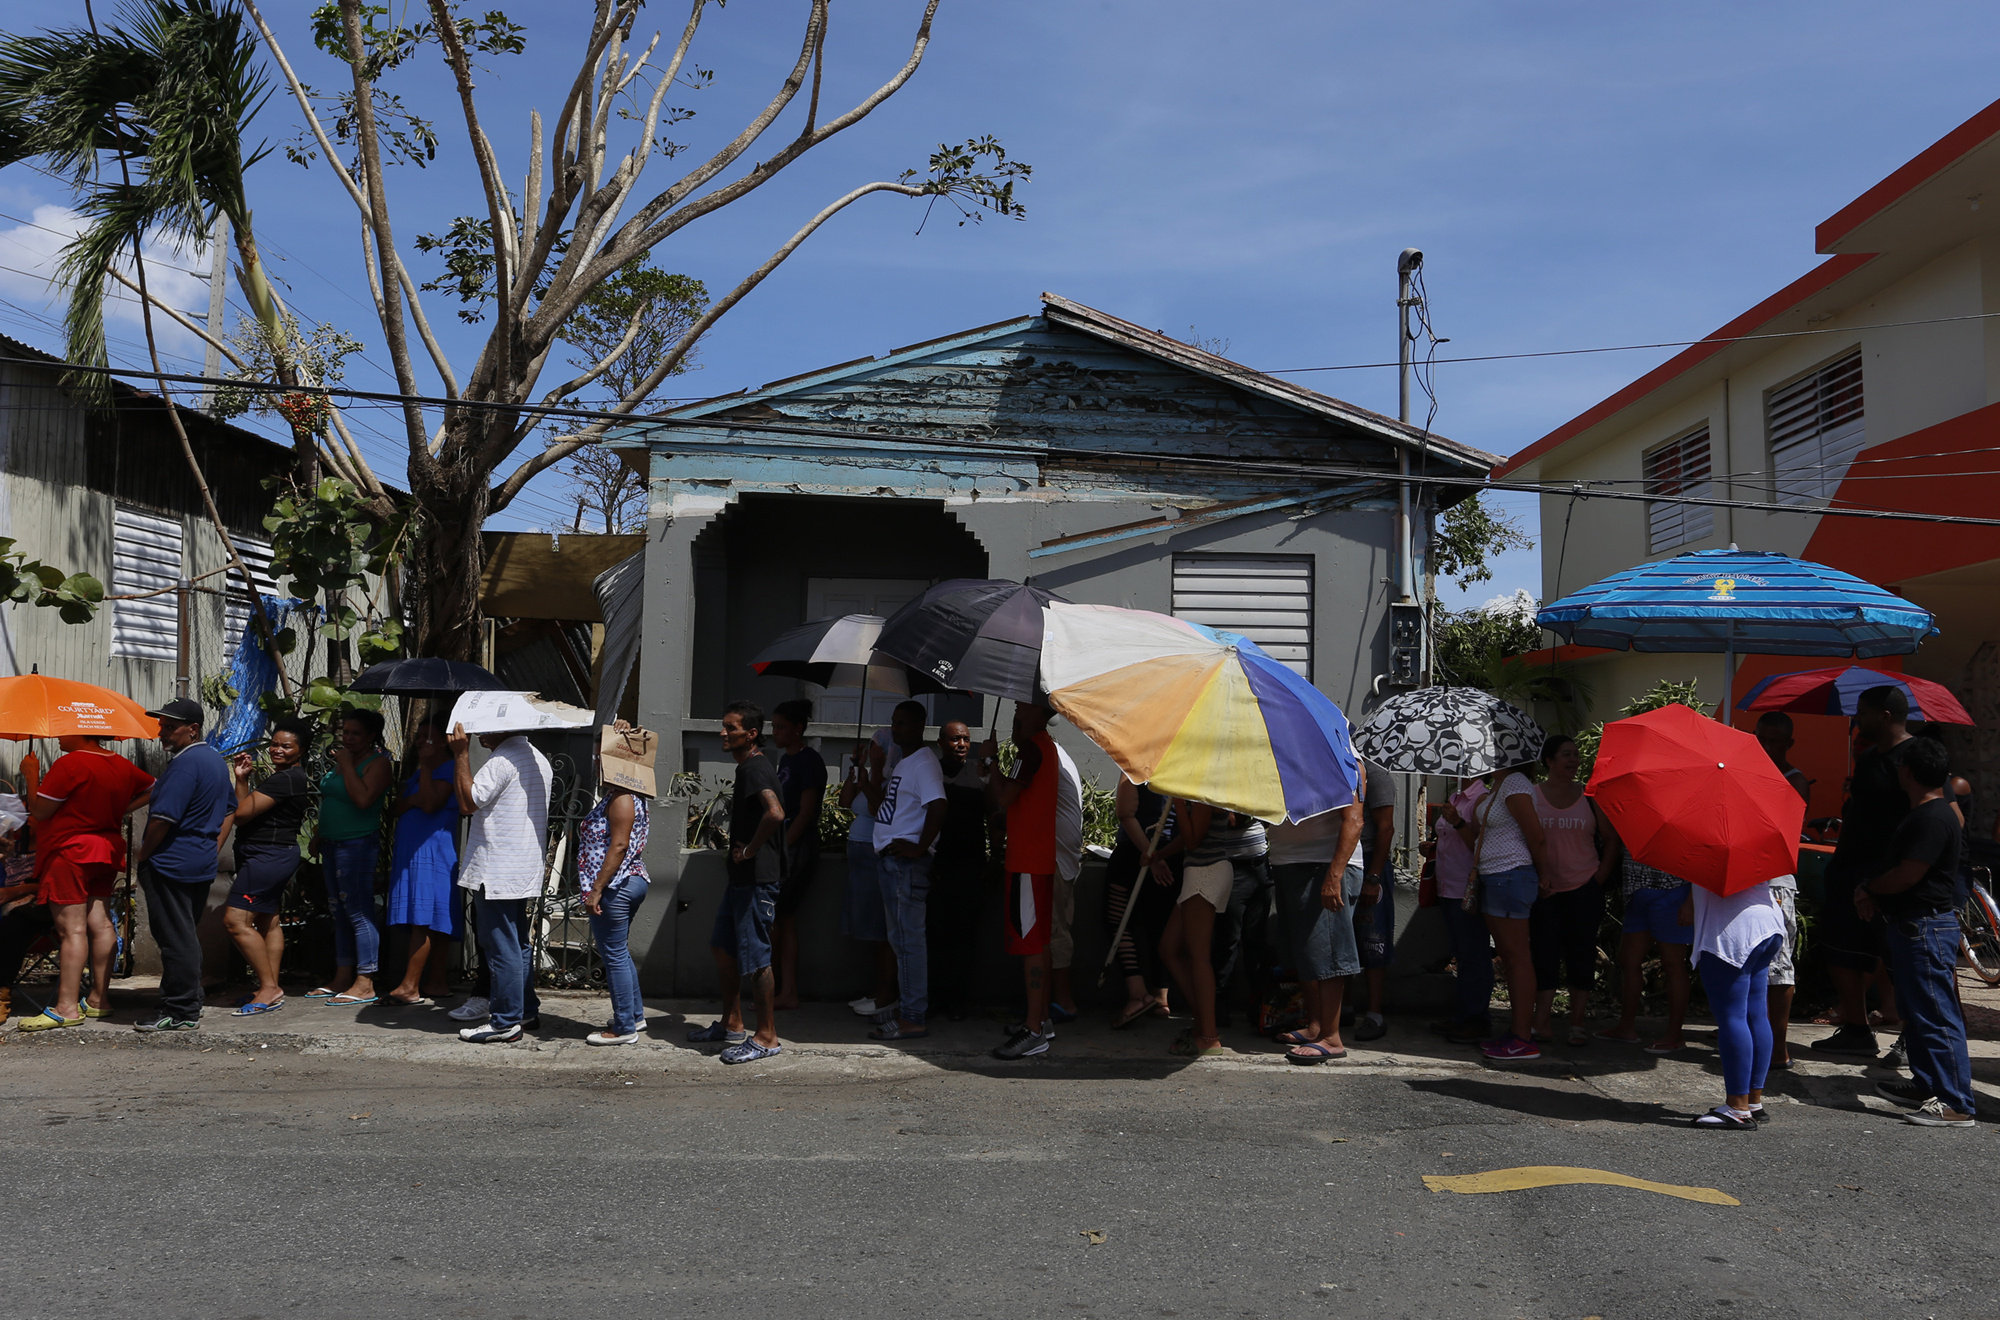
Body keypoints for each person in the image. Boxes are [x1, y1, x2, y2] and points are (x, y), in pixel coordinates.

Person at [1864, 736, 1977, 1127]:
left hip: (1925, 926)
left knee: (1937, 1016)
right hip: (1915, 926)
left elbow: (1909, 874)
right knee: (1918, 1012)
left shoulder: (1933, 817)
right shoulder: (1931, 812)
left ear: (1907, 772)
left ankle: (1955, 1102)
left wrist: (1870, 888)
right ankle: (1928, 1084)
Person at [15, 734, 152, 1030]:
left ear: (82, 732)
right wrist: (121, 810)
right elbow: (155, 786)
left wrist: (32, 776)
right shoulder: (121, 764)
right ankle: (99, 1000)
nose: (59, 736)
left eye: (65, 730)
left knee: (71, 930)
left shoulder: (70, 764)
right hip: (106, 848)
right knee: (101, 923)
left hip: (70, 851)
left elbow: (39, 812)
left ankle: (66, 1007)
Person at [1812, 685, 1915, 1058]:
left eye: (1865, 713)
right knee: (1842, 953)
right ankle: (1856, 1029)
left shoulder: (1915, 758)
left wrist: (1885, 880)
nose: (1859, 720)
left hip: (1889, 880)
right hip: (1849, 873)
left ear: (1885, 715)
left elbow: (1930, 817)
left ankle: (1911, 1037)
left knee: (1900, 960)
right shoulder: (1870, 759)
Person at [690, 701, 785, 1064]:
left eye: (731, 728)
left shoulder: (756, 769)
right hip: (742, 881)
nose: (723, 733)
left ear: (751, 734)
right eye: (724, 726)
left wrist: (748, 852)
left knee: (758, 959)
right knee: (723, 947)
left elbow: (775, 813)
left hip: (757, 880)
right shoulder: (748, 767)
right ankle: (732, 1024)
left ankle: (767, 1037)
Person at [133, 697, 233, 1032]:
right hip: (197, 861)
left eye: (171, 727)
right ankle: (188, 1001)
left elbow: (163, 818)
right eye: (162, 726)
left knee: (176, 938)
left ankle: (180, 1010)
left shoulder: (186, 764)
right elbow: (230, 809)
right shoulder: (215, 761)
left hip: (172, 863)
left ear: (193, 729)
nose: (163, 733)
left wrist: (144, 853)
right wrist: (211, 845)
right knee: (184, 934)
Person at [450, 720, 552, 1044]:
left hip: (497, 870)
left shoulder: (502, 760)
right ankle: (524, 1010)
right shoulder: (537, 756)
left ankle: (505, 1021)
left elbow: (468, 802)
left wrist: (461, 754)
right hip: (518, 868)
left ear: (501, 728)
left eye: (484, 729)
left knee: (501, 947)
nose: (478, 735)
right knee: (517, 943)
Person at [859, 699, 946, 1042]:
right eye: (894, 723)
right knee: (900, 941)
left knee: (909, 942)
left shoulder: (924, 764)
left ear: (920, 726)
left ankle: (913, 1017)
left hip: (905, 865)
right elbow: (886, 807)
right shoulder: (905, 763)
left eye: (904, 724)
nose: (896, 729)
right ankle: (907, 1010)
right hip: (892, 862)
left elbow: (938, 806)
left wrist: (920, 846)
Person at [217, 719, 313, 1018]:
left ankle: (269, 987)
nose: (277, 750)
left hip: (267, 857)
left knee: (235, 921)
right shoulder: (287, 777)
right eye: (274, 744)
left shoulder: (284, 780)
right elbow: (248, 809)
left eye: (286, 746)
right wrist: (242, 779)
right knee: (267, 920)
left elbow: (242, 814)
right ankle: (269, 986)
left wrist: (236, 789)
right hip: (272, 855)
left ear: (301, 750)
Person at [1456, 758, 1549, 1062]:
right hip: (1496, 877)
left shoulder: (1515, 783)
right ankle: (1517, 1032)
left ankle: (1523, 1037)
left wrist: (1546, 874)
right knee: (1509, 958)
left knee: (1517, 957)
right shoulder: (1499, 785)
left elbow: (1535, 834)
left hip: (1510, 874)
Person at [1157, 800, 1265, 1058]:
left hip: (1205, 872)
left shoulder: (1200, 791)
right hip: (1201, 871)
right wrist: (1159, 855)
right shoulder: (1202, 789)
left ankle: (1208, 1035)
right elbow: (1193, 836)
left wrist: (1180, 806)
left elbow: (1193, 840)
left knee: (1199, 957)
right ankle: (1204, 1017)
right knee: (1169, 948)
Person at [987, 702, 1062, 1060]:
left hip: (1027, 863)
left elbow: (1003, 797)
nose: (1015, 706)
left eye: (1022, 702)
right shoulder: (1041, 745)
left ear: (1037, 710)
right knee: (1040, 942)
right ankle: (1041, 1019)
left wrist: (989, 763)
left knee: (1030, 945)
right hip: (1038, 861)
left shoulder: (1031, 749)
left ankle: (1033, 1030)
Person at [1528, 735, 1612, 1046]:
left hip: (1583, 888)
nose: (1574, 760)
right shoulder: (1533, 796)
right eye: (1566, 754)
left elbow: (1610, 840)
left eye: (1576, 755)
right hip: (1544, 890)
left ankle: (1577, 1024)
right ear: (1549, 760)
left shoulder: (1590, 796)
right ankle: (1542, 1021)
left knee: (1582, 956)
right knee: (1544, 955)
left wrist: (1598, 880)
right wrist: (1536, 877)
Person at [1268, 793, 1364, 1064]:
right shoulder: (1297, 755)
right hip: (1290, 863)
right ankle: (1316, 1026)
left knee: (1328, 951)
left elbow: (1354, 820)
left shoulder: (1345, 757)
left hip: (1323, 865)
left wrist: (1334, 876)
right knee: (1306, 952)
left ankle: (1331, 1038)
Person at [1686, 876, 1787, 1129]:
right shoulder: (1755, 838)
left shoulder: (1706, 843)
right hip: (1767, 922)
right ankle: (1753, 1102)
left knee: (1732, 1017)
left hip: (1731, 931)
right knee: (1756, 1015)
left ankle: (1737, 1108)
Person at [314, 709, 393, 1007]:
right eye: (345, 732)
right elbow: (333, 798)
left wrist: (346, 765)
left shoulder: (378, 764)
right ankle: (342, 976)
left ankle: (366, 980)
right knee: (339, 910)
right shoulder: (342, 763)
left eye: (355, 733)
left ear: (371, 736)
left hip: (357, 846)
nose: (348, 738)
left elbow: (362, 799)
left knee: (359, 911)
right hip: (333, 845)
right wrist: (321, 833)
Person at [580, 724, 652, 1046]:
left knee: (614, 955)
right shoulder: (621, 794)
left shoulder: (622, 798)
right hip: (626, 883)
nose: (596, 762)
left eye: (601, 757)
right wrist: (618, 727)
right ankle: (634, 1015)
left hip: (616, 885)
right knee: (619, 952)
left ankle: (623, 1027)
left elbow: (619, 846)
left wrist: (597, 888)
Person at [385, 714, 460, 1007]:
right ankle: (436, 982)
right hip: (416, 850)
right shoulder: (420, 772)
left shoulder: (446, 768)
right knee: (431, 917)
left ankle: (410, 985)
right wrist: (417, 790)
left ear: (443, 741)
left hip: (433, 852)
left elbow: (429, 803)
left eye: (428, 736)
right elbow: (399, 806)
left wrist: (426, 770)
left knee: (425, 917)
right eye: (419, 736)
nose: (420, 742)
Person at [1596, 842, 1694, 1054]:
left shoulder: (1685, 812)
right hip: (1637, 891)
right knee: (1628, 960)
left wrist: (1691, 901)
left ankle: (1675, 1034)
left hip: (1672, 889)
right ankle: (1626, 1026)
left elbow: (1699, 855)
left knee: (1673, 963)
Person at [1754, 711, 1810, 1069]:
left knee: (1778, 966)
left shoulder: (1794, 779)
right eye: (1764, 740)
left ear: (1789, 744)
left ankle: (1778, 1045)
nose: (1770, 748)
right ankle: (1754, 1032)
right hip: (1743, 879)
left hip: (1775, 880)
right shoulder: (1743, 770)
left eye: (1778, 741)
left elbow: (1779, 827)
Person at [927, 720, 989, 1022]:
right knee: (937, 935)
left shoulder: (980, 772)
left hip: (971, 867)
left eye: (965, 739)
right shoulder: (931, 772)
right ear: (941, 742)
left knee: (965, 937)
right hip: (938, 867)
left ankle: (959, 1000)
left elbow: (996, 812)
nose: (962, 744)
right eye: (954, 740)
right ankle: (936, 997)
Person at [837, 725, 898, 1020]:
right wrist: (856, 768)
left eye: (874, 746)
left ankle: (885, 993)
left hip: (875, 853)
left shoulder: (890, 779)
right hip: (858, 852)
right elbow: (844, 801)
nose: (869, 749)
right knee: (867, 927)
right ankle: (876, 990)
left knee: (879, 928)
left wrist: (872, 776)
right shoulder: (865, 773)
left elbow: (878, 810)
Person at [769, 699, 826, 1011]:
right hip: (785, 848)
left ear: (798, 729)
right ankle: (779, 989)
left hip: (798, 851)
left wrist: (784, 850)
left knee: (784, 919)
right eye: (774, 726)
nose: (775, 732)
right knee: (780, 921)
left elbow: (805, 814)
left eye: (781, 727)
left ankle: (787, 990)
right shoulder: (786, 761)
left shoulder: (809, 762)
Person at [1105, 780, 1175, 1029]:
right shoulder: (1180, 757)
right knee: (1160, 924)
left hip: (1137, 850)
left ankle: (1138, 993)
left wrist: (1150, 856)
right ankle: (1161, 996)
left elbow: (1125, 812)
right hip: (1170, 852)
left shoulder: (1137, 759)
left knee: (1118, 920)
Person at [1429, 778, 1493, 1044]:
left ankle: (1476, 1019)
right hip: (1447, 886)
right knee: (1461, 954)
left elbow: (1480, 843)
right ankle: (1463, 1015)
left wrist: (1457, 822)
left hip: (1465, 888)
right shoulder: (1456, 797)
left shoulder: (1480, 799)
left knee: (1474, 953)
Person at [1350, 758, 1398, 1042]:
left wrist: (1374, 876)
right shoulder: (1337, 767)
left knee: (1374, 941)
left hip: (1369, 863)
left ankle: (1374, 1013)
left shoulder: (1376, 773)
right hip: (1345, 860)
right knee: (1344, 938)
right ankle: (1343, 1007)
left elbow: (1386, 828)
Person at [1046, 740, 1086, 1024]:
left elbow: (1016, 798)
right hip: (1061, 860)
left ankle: (1063, 1001)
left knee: (1054, 932)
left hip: (1056, 861)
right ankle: (1052, 999)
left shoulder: (1048, 755)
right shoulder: (1059, 753)